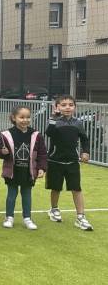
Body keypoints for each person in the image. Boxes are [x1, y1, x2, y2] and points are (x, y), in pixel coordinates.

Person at [45, 95, 93, 231]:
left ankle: (81, 217)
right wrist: (53, 119)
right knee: (56, 188)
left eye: (70, 105)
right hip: (54, 161)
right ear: (57, 107)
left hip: (72, 161)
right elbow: (48, 133)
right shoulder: (54, 121)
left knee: (76, 188)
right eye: (64, 104)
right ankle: (54, 209)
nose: (67, 107)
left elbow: (84, 139)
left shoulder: (78, 123)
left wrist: (85, 151)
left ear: (74, 107)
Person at [0, 106, 47, 230]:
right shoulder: (6, 135)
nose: (25, 120)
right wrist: (3, 152)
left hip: (28, 172)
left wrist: (41, 168)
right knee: (11, 195)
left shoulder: (36, 135)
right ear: (14, 118)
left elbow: (42, 153)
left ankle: (27, 218)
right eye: (22, 117)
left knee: (27, 194)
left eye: (28, 117)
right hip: (12, 171)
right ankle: (9, 217)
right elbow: (0, 153)